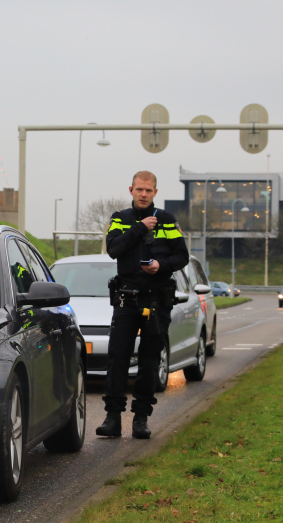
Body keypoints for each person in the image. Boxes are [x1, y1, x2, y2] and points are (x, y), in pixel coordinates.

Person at [96, 171, 189, 439]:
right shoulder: (120, 219)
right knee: (118, 358)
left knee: (150, 361)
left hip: (156, 300)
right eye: (139, 189)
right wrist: (139, 228)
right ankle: (113, 418)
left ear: (155, 192)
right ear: (131, 190)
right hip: (127, 298)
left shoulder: (167, 220)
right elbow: (113, 249)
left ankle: (141, 418)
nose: (144, 194)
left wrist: (161, 265)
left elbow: (182, 256)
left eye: (149, 190)